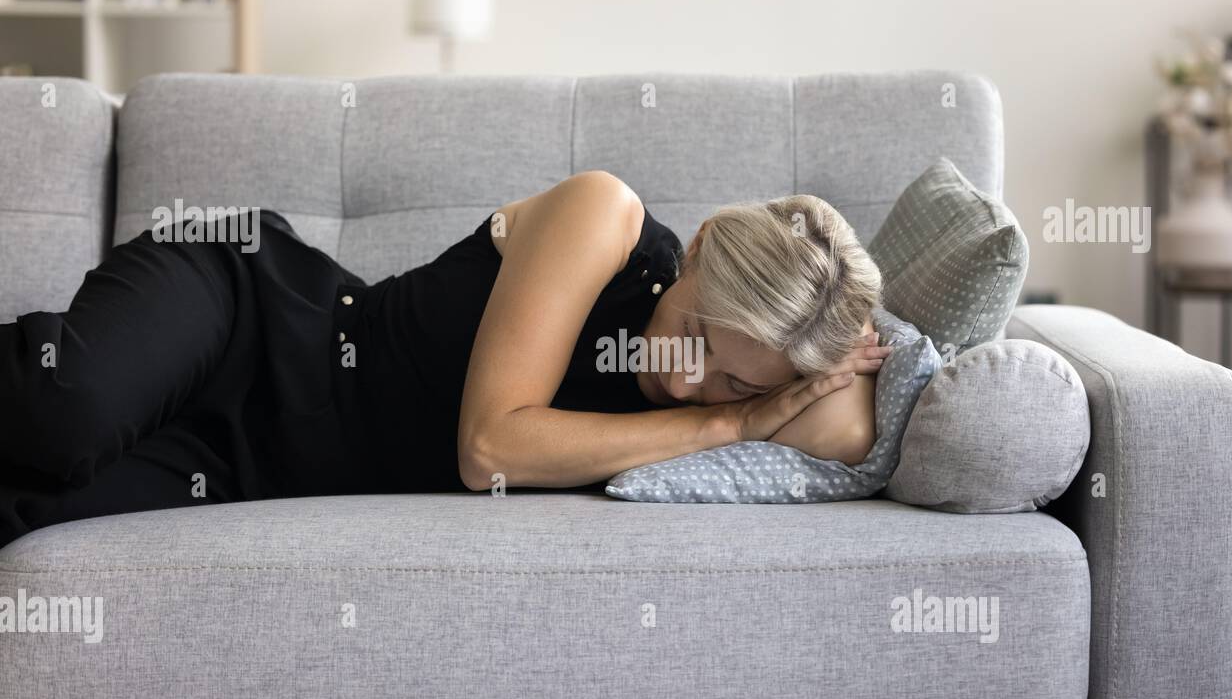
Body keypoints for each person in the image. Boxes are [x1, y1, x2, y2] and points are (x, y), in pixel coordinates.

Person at [0, 171, 889, 546]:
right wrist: (731, 418)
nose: (689, 379)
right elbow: (490, 448)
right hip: (248, 310)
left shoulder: (732, 387)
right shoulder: (605, 218)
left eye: (734, 378)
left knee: (33, 502)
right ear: (694, 252)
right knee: (64, 409)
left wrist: (840, 336)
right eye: (696, 334)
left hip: (249, 466)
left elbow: (851, 438)